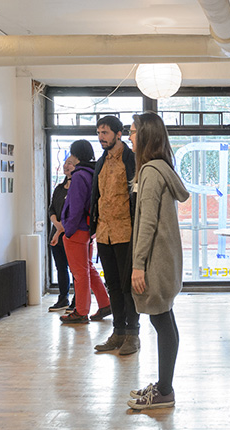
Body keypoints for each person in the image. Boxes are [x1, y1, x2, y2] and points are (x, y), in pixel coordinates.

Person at [126, 113, 190, 410]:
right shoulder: (161, 168)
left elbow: (148, 223)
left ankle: (164, 391)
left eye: (134, 132)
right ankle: (164, 386)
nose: (130, 137)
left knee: (161, 320)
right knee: (164, 319)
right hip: (166, 258)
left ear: (146, 136)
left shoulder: (151, 172)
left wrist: (138, 264)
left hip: (155, 259)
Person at [90, 116, 140, 354]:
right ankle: (118, 332)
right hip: (104, 233)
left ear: (118, 134)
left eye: (105, 133)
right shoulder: (101, 162)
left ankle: (133, 334)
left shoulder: (131, 160)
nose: (101, 137)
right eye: (99, 132)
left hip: (126, 232)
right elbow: (96, 197)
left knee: (128, 285)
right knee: (112, 286)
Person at [58, 140, 111, 325]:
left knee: (79, 273)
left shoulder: (79, 176)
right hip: (88, 228)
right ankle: (105, 303)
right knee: (88, 268)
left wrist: (68, 231)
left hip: (77, 229)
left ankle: (81, 312)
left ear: (75, 155)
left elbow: (76, 206)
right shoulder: (92, 172)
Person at [47, 169, 73, 313]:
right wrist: (56, 224)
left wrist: (60, 229)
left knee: (75, 269)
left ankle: (77, 301)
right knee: (60, 267)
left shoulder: (76, 189)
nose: (67, 166)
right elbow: (51, 209)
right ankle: (63, 297)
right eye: (66, 163)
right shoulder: (58, 188)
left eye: (70, 163)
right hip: (56, 235)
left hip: (70, 234)